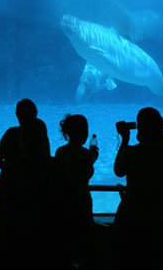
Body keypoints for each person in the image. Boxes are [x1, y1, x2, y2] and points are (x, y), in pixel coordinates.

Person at [113, 107, 163, 270]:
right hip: (161, 216)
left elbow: (118, 170)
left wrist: (125, 139)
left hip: (132, 215)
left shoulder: (134, 152)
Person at [0, 99, 51, 269]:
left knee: (3, 233)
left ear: (17, 115)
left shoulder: (11, 133)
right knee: (30, 235)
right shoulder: (40, 132)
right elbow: (46, 161)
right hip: (34, 191)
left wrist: (12, 168)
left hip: (8, 189)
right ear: (36, 113)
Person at [54, 114, 98, 268]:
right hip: (81, 200)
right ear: (85, 133)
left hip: (64, 201)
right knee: (83, 237)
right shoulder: (86, 154)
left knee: (66, 238)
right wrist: (93, 159)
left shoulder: (60, 152)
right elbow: (86, 176)